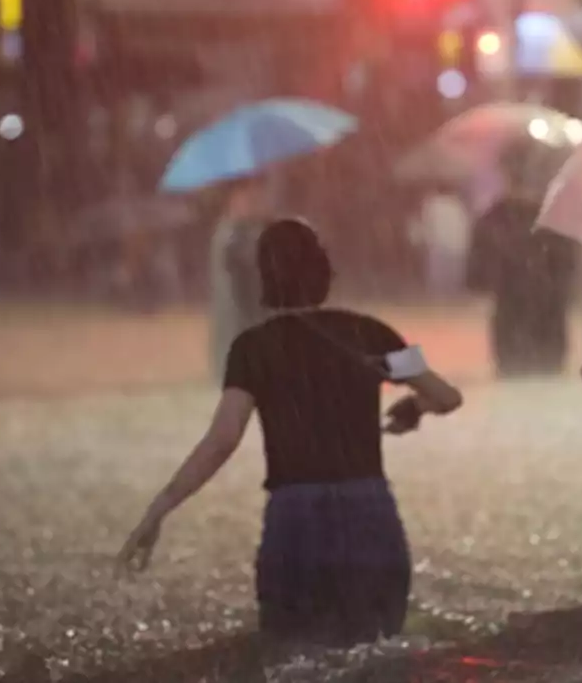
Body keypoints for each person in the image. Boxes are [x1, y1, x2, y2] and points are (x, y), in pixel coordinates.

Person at [117, 218, 464, 650]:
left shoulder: (253, 348)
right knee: (378, 654)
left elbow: (223, 440)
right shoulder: (370, 334)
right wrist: (414, 406)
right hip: (370, 512)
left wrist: (160, 508)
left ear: (264, 279)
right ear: (323, 273)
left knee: (292, 657)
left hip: (296, 519)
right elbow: (447, 396)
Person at [466, 147, 577, 378]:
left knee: (513, 380)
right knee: (548, 383)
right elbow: (568, 268)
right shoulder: (555, 216)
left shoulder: (494, 217)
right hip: (548, 317)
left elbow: (477, 275)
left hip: (512, 317)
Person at [208, 177, 272, 380]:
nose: (257, 201)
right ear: (234, 200)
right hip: (238, 323)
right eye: (250, 197)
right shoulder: (230, 236)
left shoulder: (249, 230)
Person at [410, 186, 471, 299]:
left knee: (439, 284)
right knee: (453, 282)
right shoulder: (458, 204)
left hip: (442, 247)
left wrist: (423, 242)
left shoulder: (432, 204)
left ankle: (440, 300)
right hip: (457, 247)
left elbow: (427, 228)